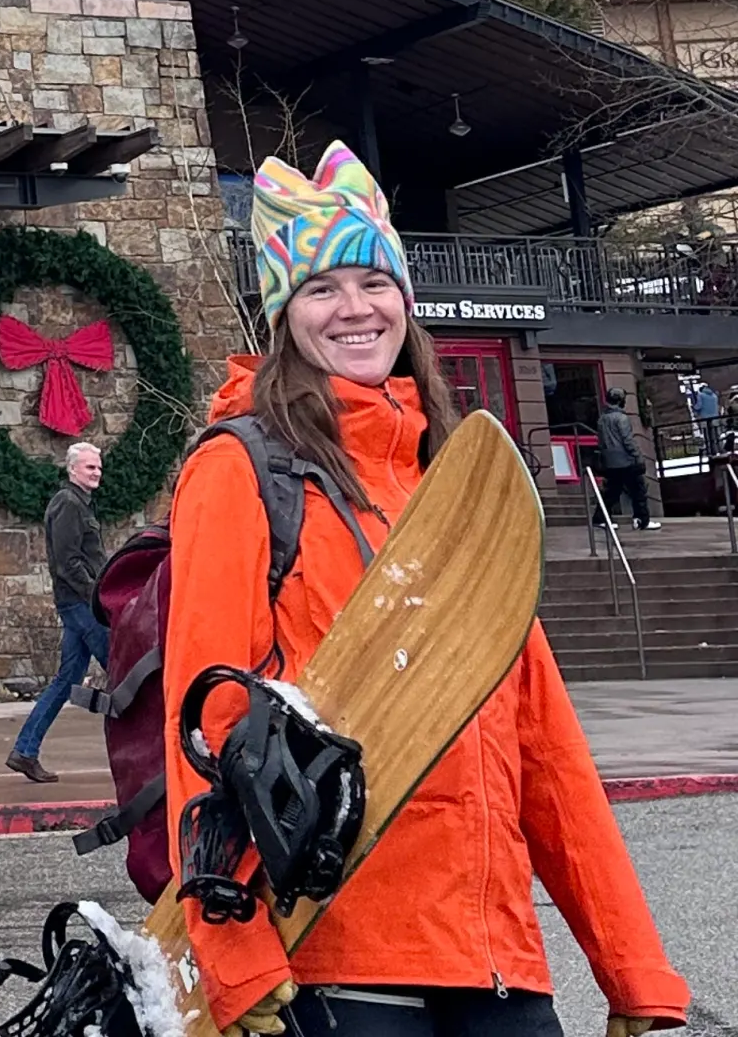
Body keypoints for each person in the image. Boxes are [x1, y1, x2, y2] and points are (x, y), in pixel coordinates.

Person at [163, 142, 687, 1037]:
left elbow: (543, 742)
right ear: (284, 314)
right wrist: (236, 959)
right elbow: (206, 723)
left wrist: (632, 965)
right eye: (321, 289)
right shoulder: (241, 469)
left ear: (405, 297)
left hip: (496, 956)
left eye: (373, 281)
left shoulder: (452, 477)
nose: (354, 310)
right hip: (339, 954)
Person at [5, 439, 106, 783]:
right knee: (126, 671)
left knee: (66, 681)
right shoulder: (67, 503)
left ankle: (25, 751)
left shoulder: (80, 504)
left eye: (99, 467)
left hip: (80, 604)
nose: (97, 472)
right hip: (81, 604)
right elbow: (68, 563)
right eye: (90, 467)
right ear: (73, 468)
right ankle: (155, 756)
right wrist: (99, 597)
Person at [594, 389, 654, 530]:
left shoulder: (602, 419)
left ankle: (600, 518)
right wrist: (637, 456)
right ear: (620, 400)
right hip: (626, 461)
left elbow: (601, 441)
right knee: (638, 491)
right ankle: (641, 520)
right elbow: (628, 440)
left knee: (611, 492)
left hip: (610, 461)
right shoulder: (621, 418)